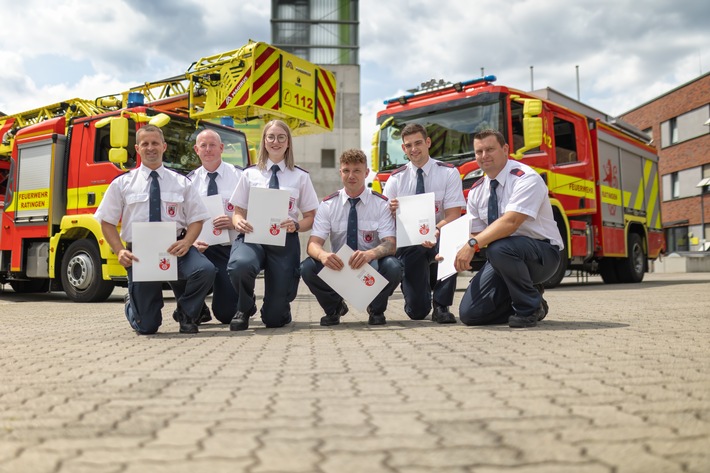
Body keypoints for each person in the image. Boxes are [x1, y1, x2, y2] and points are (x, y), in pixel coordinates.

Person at [95, 124, 216, 334]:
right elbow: (107, 221)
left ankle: (187, 313)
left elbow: (197, 218)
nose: (150, 148)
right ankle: (133, 304)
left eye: (155, 143)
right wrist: (120, 251)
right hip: (140, 254)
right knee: (148, 327)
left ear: (164, 146)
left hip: (176, 249)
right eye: (145, 144)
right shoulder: (122, 183)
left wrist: (187, 242)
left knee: (205, 270)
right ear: (138, 148)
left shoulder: (181, 182)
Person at [453, 129, 564, 328]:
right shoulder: (477, 190)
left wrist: (471, 244)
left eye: (490, 149)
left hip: (542, 255)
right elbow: (476, 233)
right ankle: (535, 301)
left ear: (505, 149)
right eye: (479, 152)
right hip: (503, 257)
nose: (484, 156)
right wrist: (451, 248)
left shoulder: (526, 178)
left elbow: (511, 222)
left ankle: (527, 309)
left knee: (499, 247)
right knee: (470, 315)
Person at [227, 120, 319, 331]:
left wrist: (296, 225)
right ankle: (244, 306)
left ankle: (278, 308)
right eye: (271, 137)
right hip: (252, 237)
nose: (275, 141)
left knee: (274, 320)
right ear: (264, 142)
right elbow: (237, 211)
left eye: (281, 137)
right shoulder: (249, 174)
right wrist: (238, 221)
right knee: (240, 266)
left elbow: (311, 216)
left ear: (288, 143)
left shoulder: (300, 177)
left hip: (284, 240)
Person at [300, 149, 403, 326]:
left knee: (394, 266)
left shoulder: (381, 204)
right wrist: (324, 256)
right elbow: (313, 244)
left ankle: (376, 308)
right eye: (346, 170)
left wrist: (369, 254)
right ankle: (334, 309)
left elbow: (390, 244)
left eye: (357, 170)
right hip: (340, 269)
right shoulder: (328, 205)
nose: (351, 176)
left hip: (370, 267)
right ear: (340, 172)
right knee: (307, 267)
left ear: (366, 173)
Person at [383, 123, 465, 324]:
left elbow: (454, 214)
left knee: (452, 240)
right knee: (417, 313)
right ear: (403, 148)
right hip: (410, 244)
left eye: (418, 143)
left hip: (440, 236)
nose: (414, 149)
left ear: (428, 142)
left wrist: (435, 231)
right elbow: (382, 221)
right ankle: (418, 296)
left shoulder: (448, 173)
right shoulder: (395, 179)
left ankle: (441, 306)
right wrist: (391, 211)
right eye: (408, 145)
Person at [186, 129, 243, 324]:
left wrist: (233, 222)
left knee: (226, 314)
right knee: (176, 262)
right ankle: (195, 308)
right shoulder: (188, 182)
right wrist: (190, 243)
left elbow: (254, 210)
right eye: (203, 145)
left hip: (230, 248)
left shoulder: (239, 176)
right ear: (196, 150)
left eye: (212, 145)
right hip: (200, 249)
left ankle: (245, 302)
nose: (208, 149)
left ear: (221, 148)